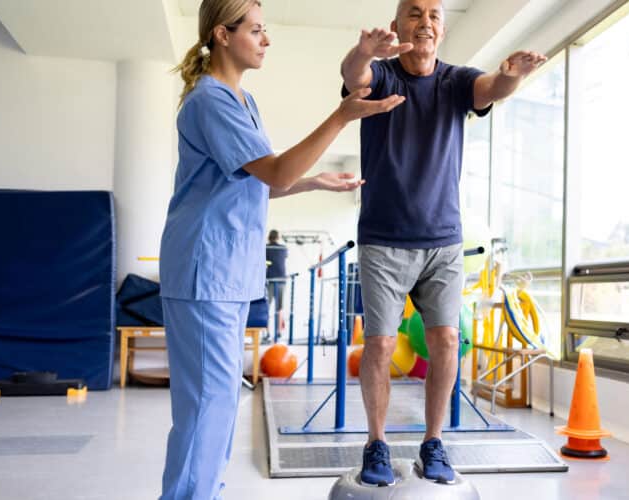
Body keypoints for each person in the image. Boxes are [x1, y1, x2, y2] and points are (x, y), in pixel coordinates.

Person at [157, 1, 405, 498]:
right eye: (256, 30)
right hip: (205, 267)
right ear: (223, 36)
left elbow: (257, 181)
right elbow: (273, 171)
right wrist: (341, 115)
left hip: (224, 270)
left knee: (220, 403)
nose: (266, 39)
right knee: (207, 404)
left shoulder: (242, 100)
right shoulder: (210, 100)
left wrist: (313, 181)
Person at [340, 0, 547, 486]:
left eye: (433, 14)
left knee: (447, 339)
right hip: (384, 239)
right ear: (397, 26)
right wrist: (362, 52)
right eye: (414, 13)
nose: (425, 21)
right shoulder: (384, 77)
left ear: (442, 28)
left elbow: (490, 88)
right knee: (381, 343)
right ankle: (376, 444)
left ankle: (433, 443)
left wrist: (512, 76)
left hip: (442, 241)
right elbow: (354, 77)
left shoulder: (456, 81)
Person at [265, 229, 288, 331]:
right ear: (278, 238)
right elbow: (284, 258)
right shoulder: (284, 248)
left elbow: (265, 261)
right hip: (281, 280)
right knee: (280, 308)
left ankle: (267, 332)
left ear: (269, 237)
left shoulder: (266, 247)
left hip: (269, 280)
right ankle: (279, 331)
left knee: (266, 307)